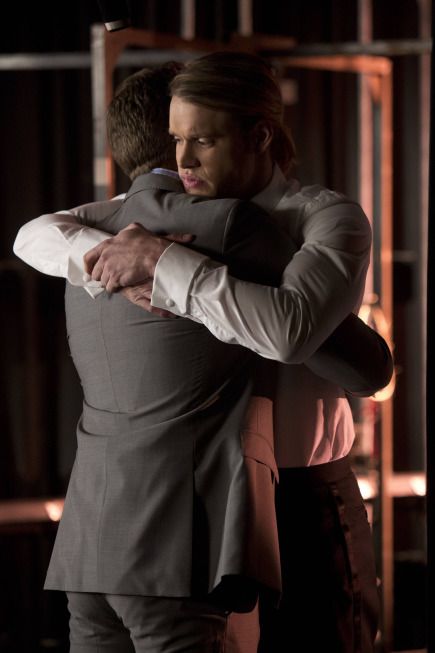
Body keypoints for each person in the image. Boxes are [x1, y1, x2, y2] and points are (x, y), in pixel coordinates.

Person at [13, 56, 392, 653]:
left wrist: (165, 265)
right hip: (215, 499)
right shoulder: (148, 221)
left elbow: (292, 333)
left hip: (304, 497)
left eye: (203, 141)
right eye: (176, 140)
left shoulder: (322, 217)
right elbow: (33, 234)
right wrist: (109, 257)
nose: (182, 161)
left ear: (258, 136)